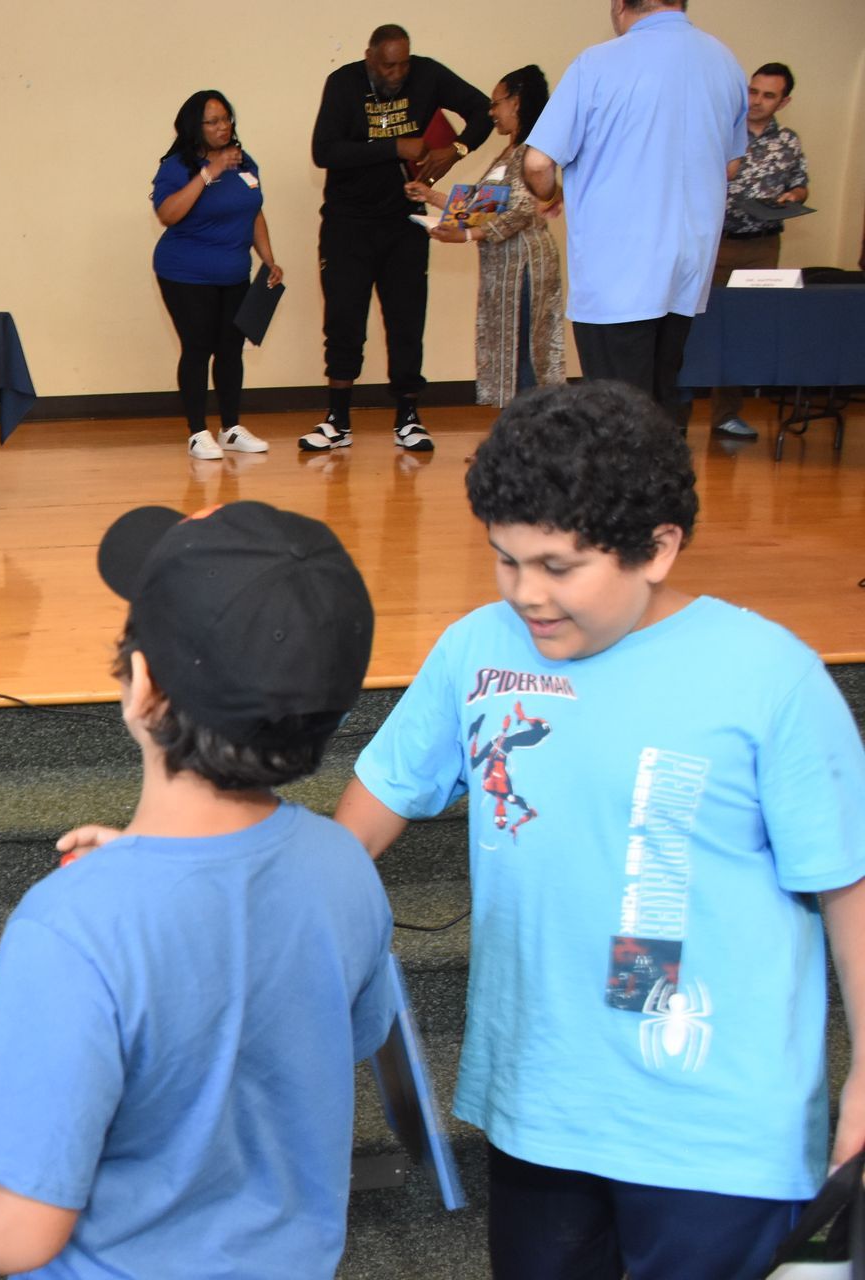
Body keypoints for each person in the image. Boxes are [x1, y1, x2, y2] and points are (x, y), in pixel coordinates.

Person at [332, 381, 865, 1279]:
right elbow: (364, 819)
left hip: (716, 1127)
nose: (527, 594)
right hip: (541, 1106)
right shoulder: (477, 649)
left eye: (558, 566)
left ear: (657, 549)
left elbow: (847, 884)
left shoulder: (769, 677)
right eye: (506, 561)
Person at [0, 501, 396, 1278]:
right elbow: (343, 1034)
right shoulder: (344, 864)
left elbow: (15, 1231)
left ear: (142, 686)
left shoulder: (72, 927)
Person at [521, 0, 745, 428]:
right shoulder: (724, 61)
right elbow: (731, 164)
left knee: (615, 410)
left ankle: (622, 495)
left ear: (619, 5)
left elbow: (537, 163)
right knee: (663, 397)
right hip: (688, 266)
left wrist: (548, 195)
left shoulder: (599, 63)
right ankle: (665, 489)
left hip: (618, 269)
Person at [301, 23, 493, 454]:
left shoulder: (427, 75)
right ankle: (338, 419)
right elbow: (325, 151)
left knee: (407, 320)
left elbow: (483, 110)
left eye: (403, 63)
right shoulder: (344, 83)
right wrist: (394, 148)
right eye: (388, 65)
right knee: (344, 321)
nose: (398, 73)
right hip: (347, 224)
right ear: (370, 57)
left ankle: (408, 417)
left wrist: (457, 149)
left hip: (404, 221)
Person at [407, 65, 566, 407]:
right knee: (506, 350)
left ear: (518, 102)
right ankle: (516, 438)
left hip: (525, 266)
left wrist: (466, 237)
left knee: (524, 353)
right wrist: (430, 197)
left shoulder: (535, 150)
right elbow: (482, 203)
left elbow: (522, 210)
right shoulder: (509, 152)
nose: (491, 112)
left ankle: (529, 444)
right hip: (502, 267)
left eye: (496, 103)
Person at [150, 90, 284, 460]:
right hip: (185, 273)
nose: (222, 127)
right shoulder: (177, 166)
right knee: (198, 347)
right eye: (212, 121)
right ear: (196, 126)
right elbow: (168, 213)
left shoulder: (244, 162)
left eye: (226, 119)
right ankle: (197, 432)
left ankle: (231, 427)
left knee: (230, 349)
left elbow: (253, 211)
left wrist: (268, 259)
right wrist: (209, 173)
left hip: (234, 272)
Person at [708, 62, 810, 441]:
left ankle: (726, 415)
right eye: (753, 91)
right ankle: (676, 413)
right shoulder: (722, 131)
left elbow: (801, 186)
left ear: (784, 102)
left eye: (769, 95)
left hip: (762, 247)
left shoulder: (788, 143)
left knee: (743, 330)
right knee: (701, 326)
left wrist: (792, 196)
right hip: (716, 243)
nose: (757, 101)